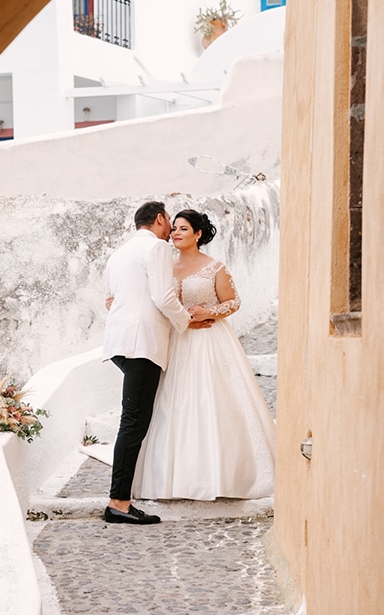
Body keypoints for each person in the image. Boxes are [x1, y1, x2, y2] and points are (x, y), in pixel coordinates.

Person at [131, 208, 276, 502]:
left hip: (210, 341)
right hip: (176, 343)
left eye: (184, 229)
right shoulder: (164, 266)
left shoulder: (215, 267)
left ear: (198, 234)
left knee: (213, 402)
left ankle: (222, 474)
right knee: (173, 405)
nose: (176, 233)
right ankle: (175, 477)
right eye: (175, 229)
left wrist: (208, 311)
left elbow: (233, 302)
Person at [102, 201, 207, 524]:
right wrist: (186, 320)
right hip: (142, 343)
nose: (170, 230)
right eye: (168, 222)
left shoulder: (118, 253)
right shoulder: (156, 250)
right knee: (133, 423)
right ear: (160, 219)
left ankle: (121, 499)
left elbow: (110, 299)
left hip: (121, 342)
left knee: (134, 421)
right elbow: (163, 296)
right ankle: (118, 503)